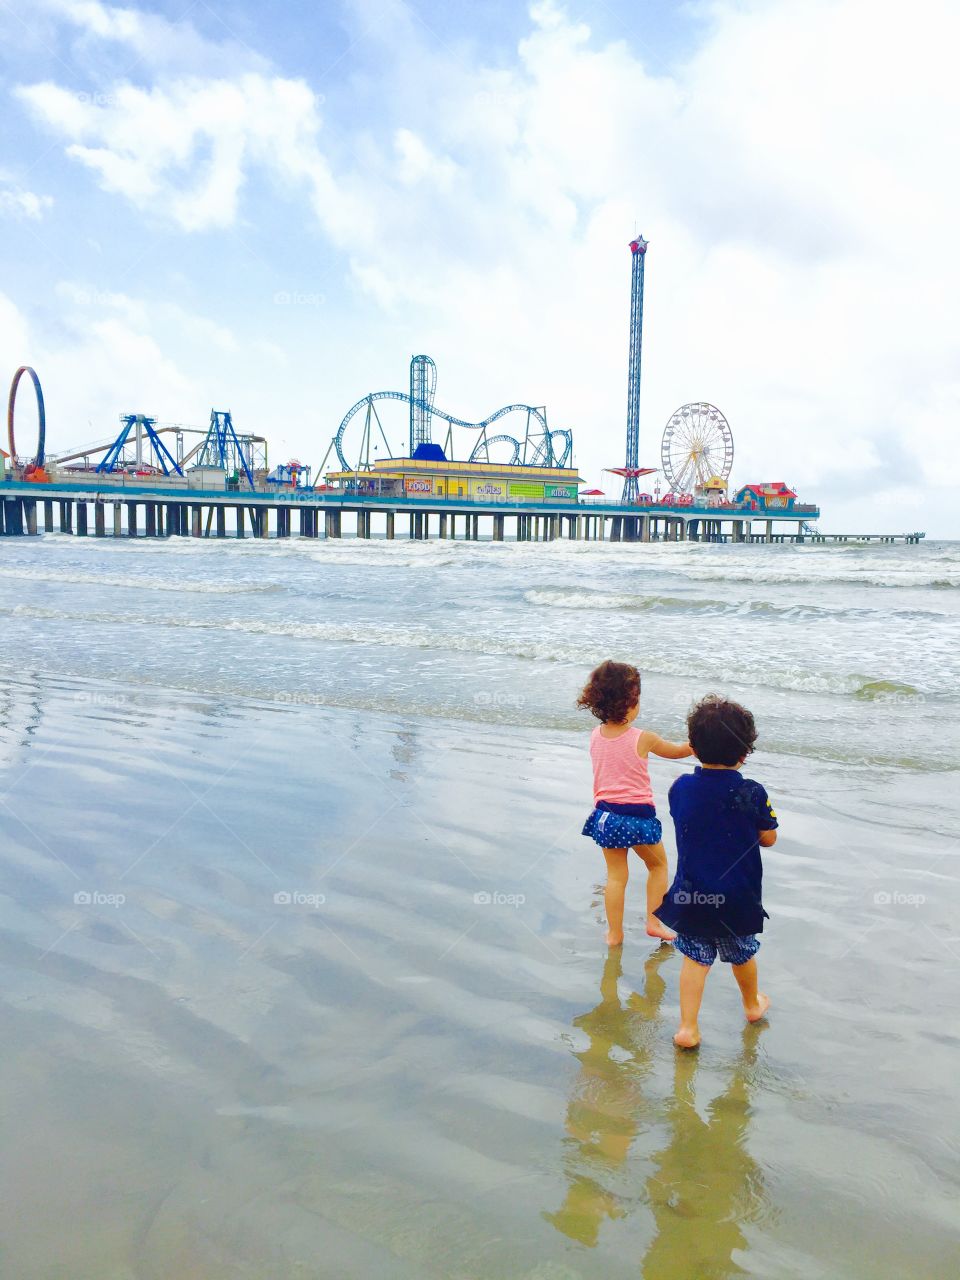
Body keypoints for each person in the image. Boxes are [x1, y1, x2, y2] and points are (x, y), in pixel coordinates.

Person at [654, 694, 778, 1048]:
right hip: (737, 895)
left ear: (692, 747)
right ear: (745, 752)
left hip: (692, 892)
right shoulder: (751, 792)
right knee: (743, 952)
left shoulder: (681, 787)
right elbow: (768, 838)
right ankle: (752, 1004)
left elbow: (689, 819)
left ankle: (688, 1029)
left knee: (695, 958)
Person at [578, 660, 693, 946]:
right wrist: (697, 742)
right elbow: (677, 752)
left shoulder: (595, 736)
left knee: (616, 877)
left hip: (606, 815)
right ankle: (653, 922)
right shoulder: (643, 738)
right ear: (630, 703)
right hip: (637, 818)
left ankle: (614, 934)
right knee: (658, 867)